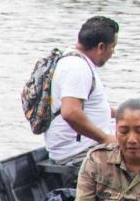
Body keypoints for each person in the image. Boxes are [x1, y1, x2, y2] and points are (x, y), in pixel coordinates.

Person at [44, 16, 119, 176]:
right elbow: (70, 112)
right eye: (113, 47)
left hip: (79, 145)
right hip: (77, 153)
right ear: (101, 47)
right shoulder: (77, 67)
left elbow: (82, 106)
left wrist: (114, 113)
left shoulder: (74, 59)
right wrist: (105, 138)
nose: (112, 53)